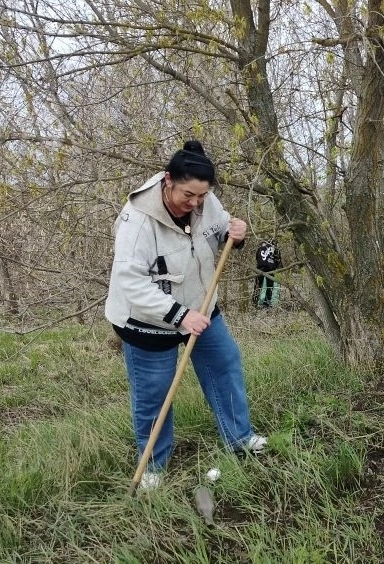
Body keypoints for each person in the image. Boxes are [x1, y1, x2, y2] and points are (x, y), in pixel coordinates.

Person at [105, 140, 266, 491]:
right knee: (155, 393)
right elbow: (129, 281)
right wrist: (179, 316)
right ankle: (153, 466)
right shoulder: (138, 221)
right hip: (147, 321)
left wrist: (234, 234)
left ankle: (239, 439)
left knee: (225, 363)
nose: (194, 203)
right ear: (168, 181)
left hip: (201, 306)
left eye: (202, 196)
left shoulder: (205, 201)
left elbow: (220, 228)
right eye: (187, 195)